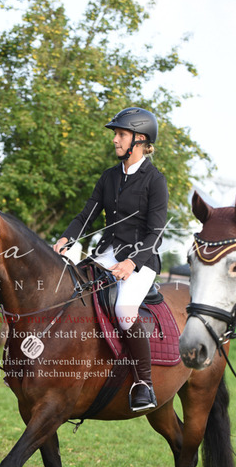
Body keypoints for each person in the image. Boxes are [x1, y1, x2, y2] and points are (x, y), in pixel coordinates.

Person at [53, 107, 168, 412]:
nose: (115, 140)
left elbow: (156, 232)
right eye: (116, 134)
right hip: (105, 255)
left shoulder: (155, 181)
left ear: (139, 139)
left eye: (121, 134)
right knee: (70, 291)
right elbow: (86, 216)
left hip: (141, 261)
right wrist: (66, 239)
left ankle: (144, 383)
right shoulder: (109, 176)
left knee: (124, 310)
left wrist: (132, 263)